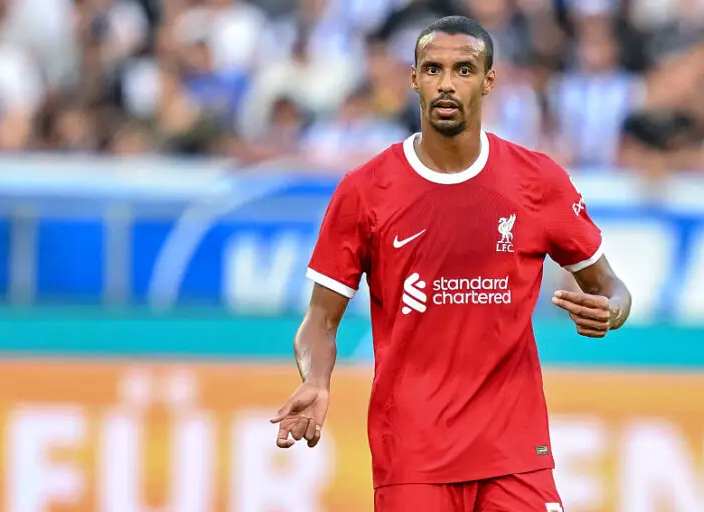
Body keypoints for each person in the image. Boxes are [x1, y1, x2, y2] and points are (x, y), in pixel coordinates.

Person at [270, 15, 632, 512]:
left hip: (514, 452)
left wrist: (612, 310)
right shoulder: (365, 191)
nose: (446, 83)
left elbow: (609, 284)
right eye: (432, 68)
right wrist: (315, 379)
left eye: (463, 69)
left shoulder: (537, 181)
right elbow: (320, 320)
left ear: (488, 80)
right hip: (413, 457)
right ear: (414, 78)